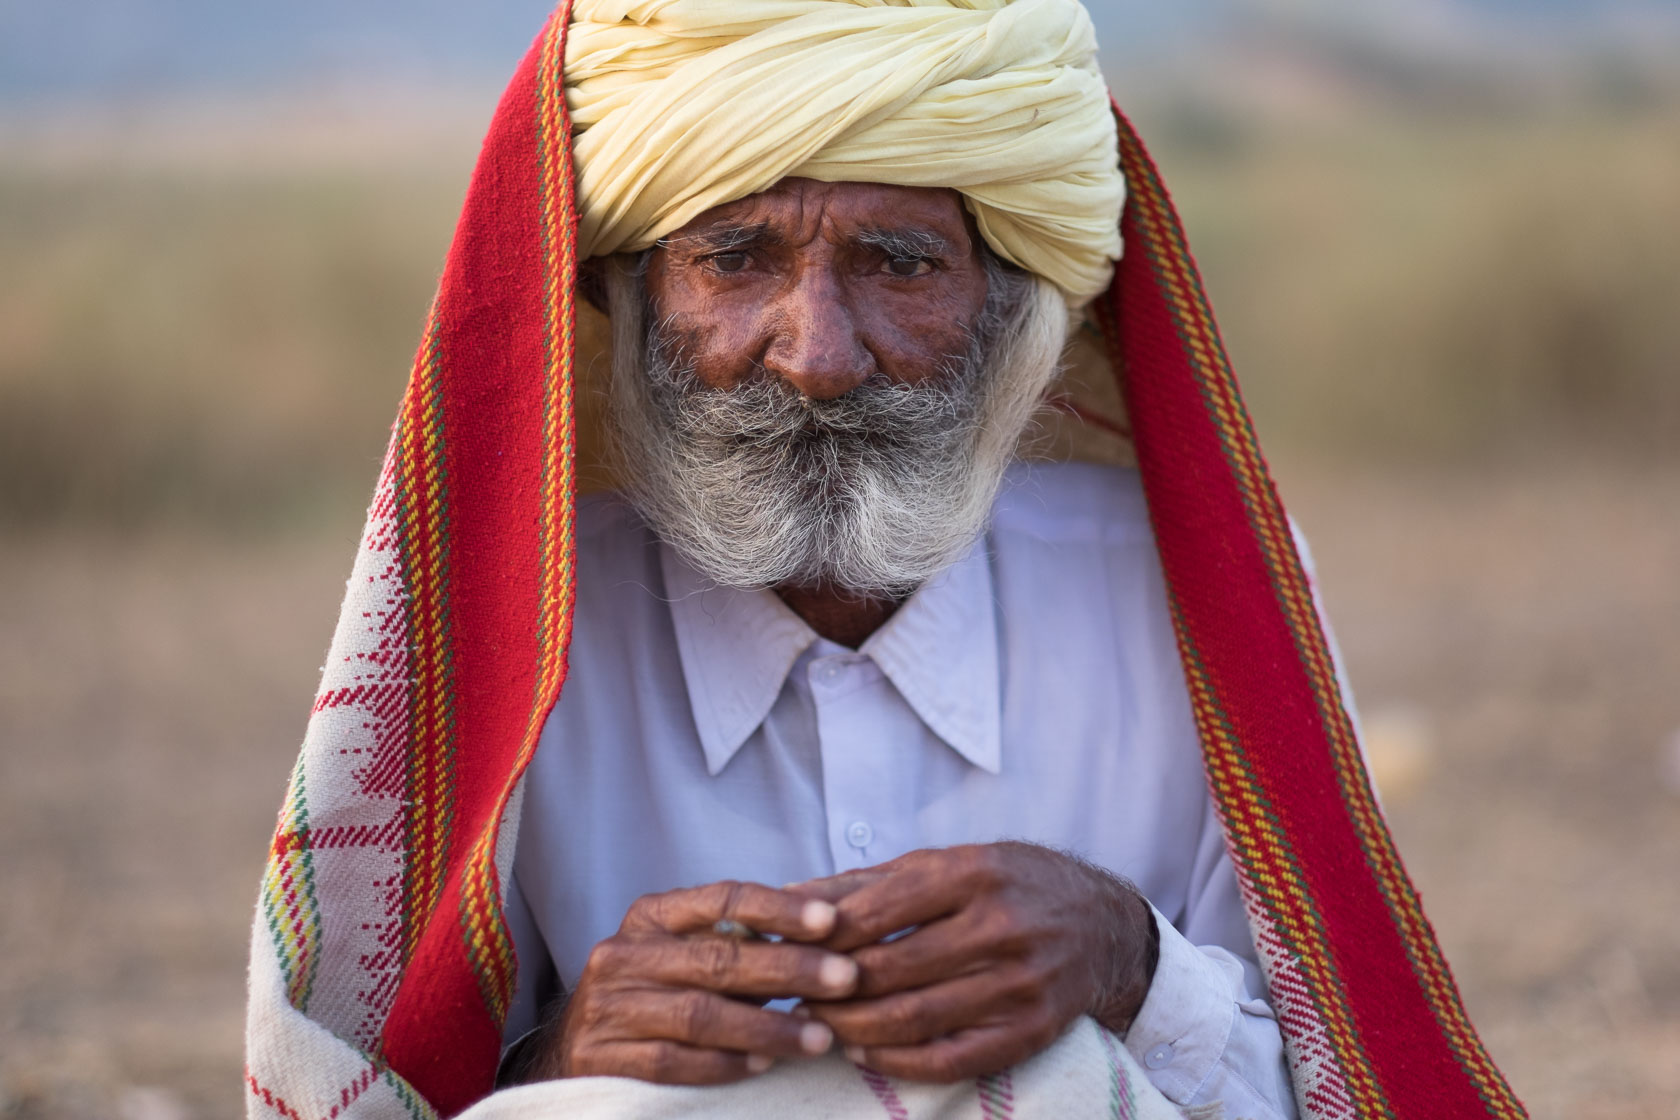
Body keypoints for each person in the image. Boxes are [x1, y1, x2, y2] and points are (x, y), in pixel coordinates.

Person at [245, 3, 1526, 1119]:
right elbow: (370, 1084)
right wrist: (560, 1053)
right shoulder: (508, 629)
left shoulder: (1184, 602)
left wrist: (1130, 962)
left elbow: (1347, 1087)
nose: (817, 353)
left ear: (1018, 309)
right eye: (735, 259)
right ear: (627, 301)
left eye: (899, 262)